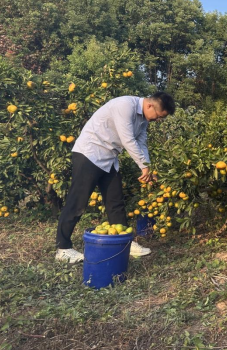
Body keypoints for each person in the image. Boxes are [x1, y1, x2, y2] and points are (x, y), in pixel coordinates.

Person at [55, 92, 175, 263]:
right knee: (77, 202)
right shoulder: (125, 105)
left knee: (115, 201)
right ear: (150, 106)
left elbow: (141, 143)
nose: (157, 120)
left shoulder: (143, 119)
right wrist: (142, 165)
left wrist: (147, 167)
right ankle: (63, 248)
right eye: (158, 116)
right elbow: (127, 139)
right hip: (90, 153)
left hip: (109, 158)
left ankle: (125, 242)